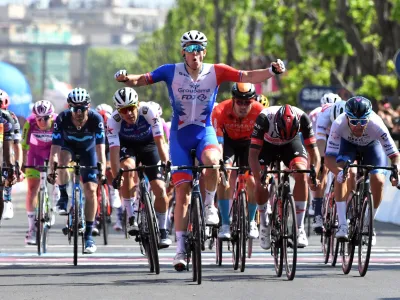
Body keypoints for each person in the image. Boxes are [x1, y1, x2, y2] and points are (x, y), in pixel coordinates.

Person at [114, 29, 286, 271]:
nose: (195, 54)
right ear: (183, 52)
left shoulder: (215, 71)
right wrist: (124, 78)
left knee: (213, 160)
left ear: (204, 52)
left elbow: (246, 74)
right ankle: (181, 249)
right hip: (180, 135)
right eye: (190, 49)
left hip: (203, 131)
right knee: (182, 193)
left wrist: (271, 71)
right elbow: (141, 79)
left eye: (199, 49)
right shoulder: (170, 71)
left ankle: (208, 205)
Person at [325, 96, 400, 244]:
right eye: (354, 122)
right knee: (342, 174)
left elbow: (395, 156)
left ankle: (368, 222)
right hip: (348, 146)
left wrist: (396, 171)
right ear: (347, 118)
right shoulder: (338, 124)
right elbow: (329, 159)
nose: (359, 126)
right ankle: (342, 224)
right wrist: (338, 172)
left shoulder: (377, 124)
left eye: (363, 122)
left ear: (369, 118)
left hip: (372, 147)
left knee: (378, 180)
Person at [248, 104, 320, 249]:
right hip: (267, 146)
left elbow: (314, 153)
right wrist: (259, 176)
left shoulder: (303, 118)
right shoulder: (264, 118)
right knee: (260, 182)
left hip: (291, 144)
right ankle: (264, 224)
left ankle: (299, 228)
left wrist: (313, 175)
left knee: (301, 173)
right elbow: (253, 155)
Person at [107, 87, 171, 247]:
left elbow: (160, 141)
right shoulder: (113, 121)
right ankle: (131, 217)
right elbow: (114, 152)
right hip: (127, 146)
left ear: (137, 105)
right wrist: (116, 177)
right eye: (123, 110)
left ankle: (162, 230)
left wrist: (166, 163)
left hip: (149, 145)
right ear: (118, 111)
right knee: (127, 168)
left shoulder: (148, 111)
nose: (128, 113)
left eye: (131, 108)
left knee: (160, 189)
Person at [48, 87, 106, 254]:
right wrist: (53, 167)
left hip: (88, 151)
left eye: (82, 108)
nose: (78, 112)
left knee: (90, 190)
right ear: (69, 108)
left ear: (88, 107)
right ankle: (63, 196)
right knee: (62, 160)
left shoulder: (96, 119)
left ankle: (89, 235)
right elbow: (55, 150)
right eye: (75, 108)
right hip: (68, 148)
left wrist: (101, 167)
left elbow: (100, 148)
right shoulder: (62, 118)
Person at [212, 82, 264, 240]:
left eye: (247, 102)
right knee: (224, 176)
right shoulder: (220, 111)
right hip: (227, 144)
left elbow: (264, 142)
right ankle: (225, 224)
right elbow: (218, 143)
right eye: (239, 102)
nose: (243, 106)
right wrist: (221, 165)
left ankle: (252, 221)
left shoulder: (260, 112)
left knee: (253, 181)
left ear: (253, 101)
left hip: (250, 144)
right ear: (233, 100)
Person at [21, 100, 58, 244]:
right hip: (35, 154)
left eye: (46, 118)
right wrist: (22, 164)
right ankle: (32, 229)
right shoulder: (29, 122)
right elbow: (23, 145)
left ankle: (56, 193)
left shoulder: (58, 121)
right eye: (39, 119)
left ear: (51, 116)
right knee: (32, 189)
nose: (42, 121)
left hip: (52, 151)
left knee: (57, 174)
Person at [312, 100, 346, 232]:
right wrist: (320, 163)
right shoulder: (324, 116)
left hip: (344, 136)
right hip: (325, 137)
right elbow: (320, 142)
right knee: (322, 170)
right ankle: (317, 213)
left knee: (350, 171)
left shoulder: (350, 117)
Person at [95, 103, 123, 232]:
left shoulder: (114, 124)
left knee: (112, 169)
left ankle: (114, 192)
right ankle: (96, 216)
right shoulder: (94, 124)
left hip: (110, 146)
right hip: (98, 147)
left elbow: (115, 148)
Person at [0, 89, 24, 220]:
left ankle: (7, 198)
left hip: (6, 145)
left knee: (10, 155)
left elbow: (17, 145)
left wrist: (17, 168)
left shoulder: (11, 118)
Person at [0, 89, 17, 223]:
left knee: (7, 163)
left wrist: (12, 166)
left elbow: (10, 143)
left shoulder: (8, 117)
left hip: (5, 143)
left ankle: (7, 198)